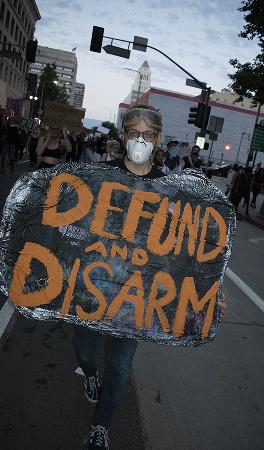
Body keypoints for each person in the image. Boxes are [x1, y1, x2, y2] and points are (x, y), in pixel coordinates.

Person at [76, 105, 165, 450]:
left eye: (147, 134)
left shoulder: (168, 187)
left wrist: (210, 288)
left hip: (135, 293)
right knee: (86, 349)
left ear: (157, 140)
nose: (140, 140)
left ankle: (101, 425)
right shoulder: (98, 176)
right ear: (123, 135)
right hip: (94, 284)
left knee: (122, 364)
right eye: (133, 132)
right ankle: (89, 372)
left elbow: (185, 247)